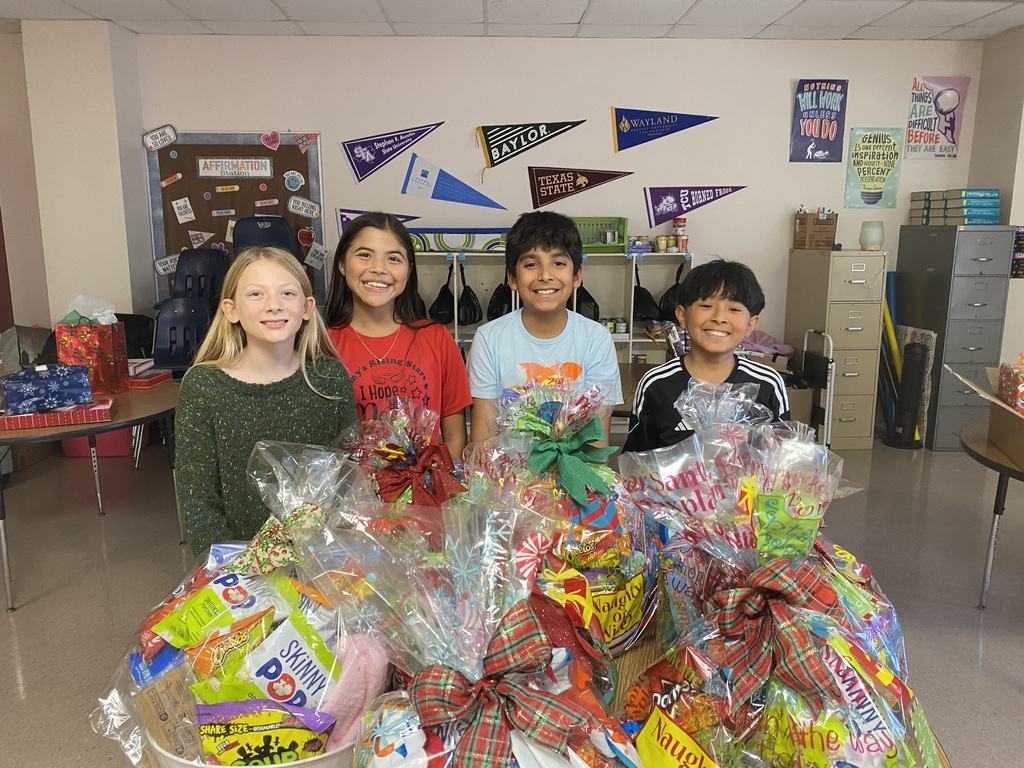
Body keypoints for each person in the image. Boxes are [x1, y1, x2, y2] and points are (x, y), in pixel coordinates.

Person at [175, 247, 356, 556]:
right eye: (256, 294)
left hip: (323, 561)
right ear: (231, 310)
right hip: (239, 570)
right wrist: (236, 566)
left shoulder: (329, 378)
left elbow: (348, 480)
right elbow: (198, 501)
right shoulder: (204, 386)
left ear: (307, 307)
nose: (274, 305)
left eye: (287, 293)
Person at [467, 211, 623, 444]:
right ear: (512, 278)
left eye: (558, 263)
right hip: (507, 476)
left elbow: (596, 441)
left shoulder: (596, 338)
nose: (545, 275)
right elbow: (482, 441)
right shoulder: (490, 338)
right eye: (531, 264)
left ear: (577, 275)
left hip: (575, 473)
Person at [323, 213, 472, 457]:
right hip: (352, 492)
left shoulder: (437, 339)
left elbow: (455, 438)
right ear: (341, 264)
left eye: (393, 258)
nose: (378, 268)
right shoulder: (323, 345)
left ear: (409, 270)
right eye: (364, 255)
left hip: (428, 491)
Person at [622, 258, 789, 453]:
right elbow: (637, 461)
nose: (719, 317)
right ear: (682, 316)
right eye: (706, 306)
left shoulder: (768, 383)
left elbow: (780, 460)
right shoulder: (656, 384)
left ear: (751, 324)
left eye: (734, 309)